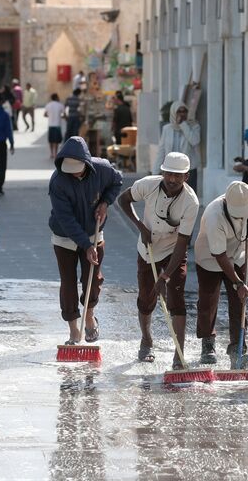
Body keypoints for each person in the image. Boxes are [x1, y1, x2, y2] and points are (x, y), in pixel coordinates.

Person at [117, 152, 199, 369]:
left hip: (174, 250)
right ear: (162, 172)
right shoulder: (148, 185)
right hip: (148, 249)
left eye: (178, 176)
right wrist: (140, 225)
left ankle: (179, 354)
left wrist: (165, 276)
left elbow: (183, 243)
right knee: (146, 298)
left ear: (186, 177)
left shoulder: (191, 202)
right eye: (169, 174)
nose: (172, 180)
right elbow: (122, 200)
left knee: (177, 297)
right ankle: (146, 339)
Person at [49, 136, 123, 344]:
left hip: (93, 230)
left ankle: (89, 316)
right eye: (70, 171)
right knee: (68, 282)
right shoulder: (58, 180)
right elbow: (65, 218)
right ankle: (74, 329)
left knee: (93, 277)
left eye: (78, 170)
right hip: (64, 236)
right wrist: (85, 245)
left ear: (87, 163)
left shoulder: (103, 169)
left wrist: (105, 203)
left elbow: (116, 182)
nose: (74, 174)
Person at [195, 181, 248, 368]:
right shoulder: (214, 215)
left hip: (238, 252)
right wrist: (238, 283)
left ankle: (237, 349)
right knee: (208, 301)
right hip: (211, 255)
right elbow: (220, 255)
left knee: (239, 301)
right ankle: (208, 346)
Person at [153, 101, 201, 194]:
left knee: (188, 197)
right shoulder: (167, 129)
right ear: (174, 113)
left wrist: (183, 125)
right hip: (171, 169)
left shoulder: (194, 126)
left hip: (188, 169)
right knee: (171, 197)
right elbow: (161, 151)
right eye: (179, 111)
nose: (182, 114)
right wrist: (155, 172)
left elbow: (194, 141)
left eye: (184, 111)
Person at [45, 93, 66, 159]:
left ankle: (51, 153)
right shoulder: (60, 105)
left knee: (51, 140)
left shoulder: (48, 105)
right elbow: (64, 115)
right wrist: (61, 117)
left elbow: (45, 114)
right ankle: (55, 153)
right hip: (57, 125)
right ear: (57, 97)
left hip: (50, 125)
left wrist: (50, 115)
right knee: (56, 141)